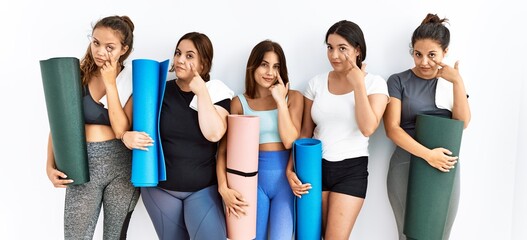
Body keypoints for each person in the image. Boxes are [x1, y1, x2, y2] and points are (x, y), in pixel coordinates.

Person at [287, 20, 389, 239]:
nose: (334, 55)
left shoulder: (374, 83)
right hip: (314, 167)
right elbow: (305, 132)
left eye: (342, 48)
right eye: (330, 47)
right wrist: (290, 169)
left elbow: (368, 127)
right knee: (311, 235)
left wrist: (358, 84)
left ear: (357, 50)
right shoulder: (316, 83)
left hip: (351, 169)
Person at [127, 32, 230, 240]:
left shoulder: (216, 91)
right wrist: (125, 136)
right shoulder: (158, 89)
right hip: (161, 190)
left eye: (190, 56)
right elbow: (125, 121)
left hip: (202, 189)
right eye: (178, 53)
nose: (180, 59)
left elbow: (214, 134)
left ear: (204, 64)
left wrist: (201, 92)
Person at [45, 15, 140, 239]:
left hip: (122, 167)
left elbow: (121, 129)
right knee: (76, 235)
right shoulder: (78, 74)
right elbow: (60, 123)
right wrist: (49, 166)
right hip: (82, 163)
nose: (100, 52)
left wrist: (110, 82)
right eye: (96, 42)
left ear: (123, 49)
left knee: (114, 237)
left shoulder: (132, 79)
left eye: (110, 47)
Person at [383, 13, 471, 240]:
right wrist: (427, 155)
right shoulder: (398, 81)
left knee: (440, 234)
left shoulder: (449, 83)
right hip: (407, 162)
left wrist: (458, 82)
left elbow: (462, 123)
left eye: (432, 55)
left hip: (444, 165)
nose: (424, 62)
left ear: (445, 53)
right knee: (409, 235)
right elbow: (392, 128)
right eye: (417, 54)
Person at [216, 40, 303, 240]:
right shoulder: (239, 103)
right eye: (264, 64)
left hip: (285, 184)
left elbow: (290, 141)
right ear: (253, 66)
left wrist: (281, 101)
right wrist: (223, 188)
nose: (270, 72)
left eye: (276, 66)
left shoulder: (294, 98)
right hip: (250, 183)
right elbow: (223, 152)